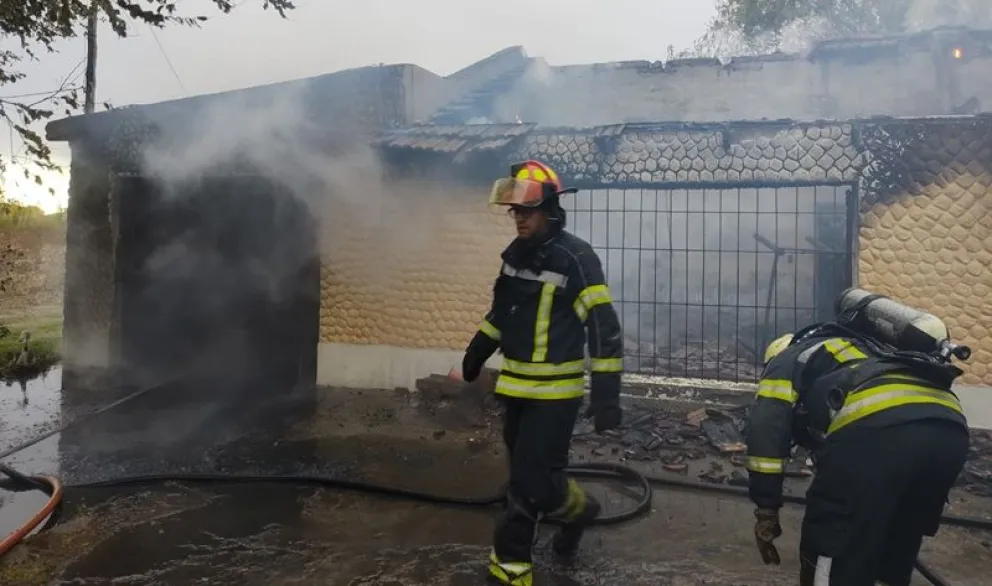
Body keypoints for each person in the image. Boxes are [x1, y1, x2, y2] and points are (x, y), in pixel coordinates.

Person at [460, 160, 624, 586]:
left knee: (525, 485)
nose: (518, 219)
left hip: (555, 397)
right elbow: (504, 311)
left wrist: (607, 396)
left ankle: (510, 571)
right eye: (514, 211)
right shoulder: (515, 257)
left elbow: (603, 328)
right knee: (539, 482)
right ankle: (580, 511)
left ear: (550, 210)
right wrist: (479, 347)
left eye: (526, 211)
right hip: (515, 390)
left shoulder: (577, 258)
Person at [746, 318, 970, 586]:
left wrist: (766, 507)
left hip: (880, 427)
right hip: (950, 428)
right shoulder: (860, 353)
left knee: (832, 540)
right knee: (899, 539)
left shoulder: (786, 360)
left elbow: (766, 432)